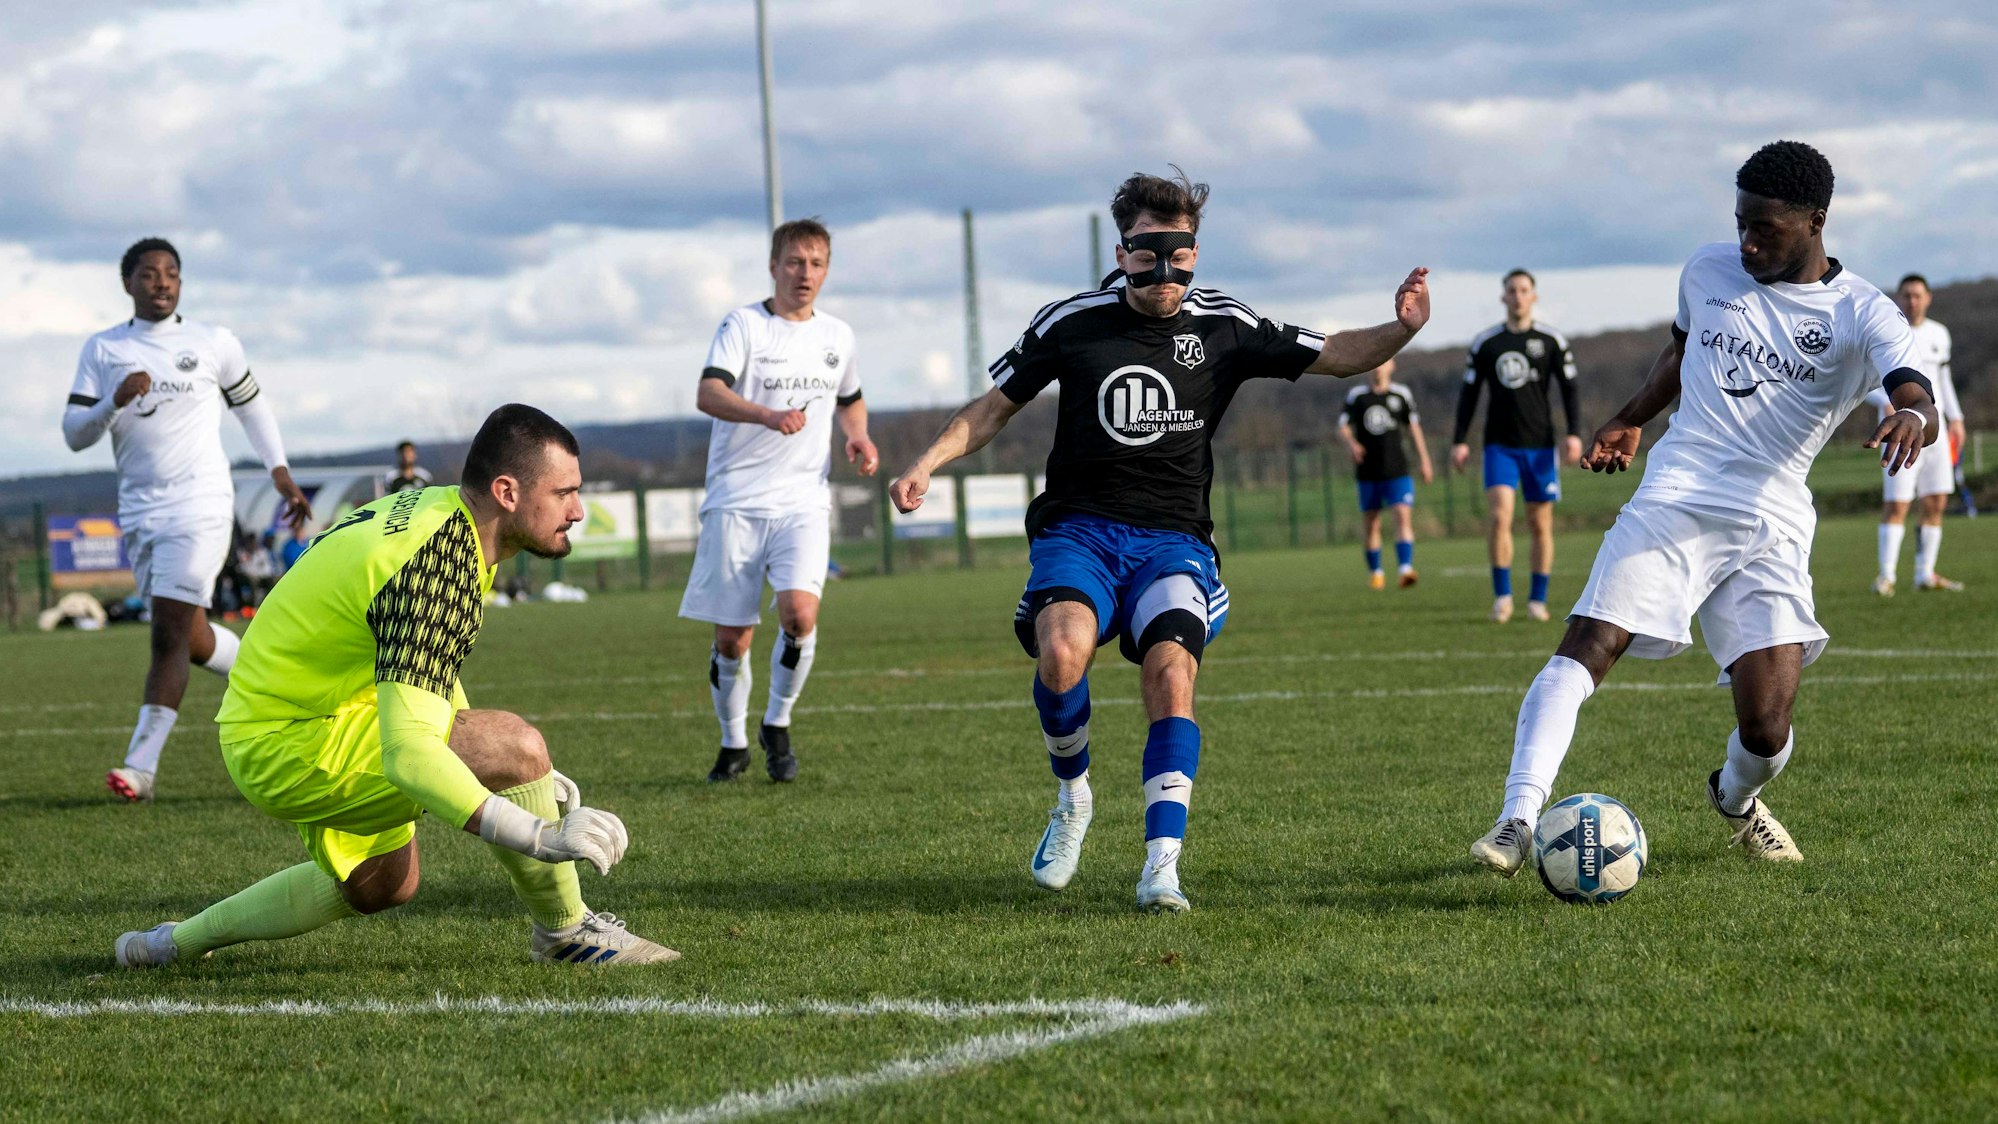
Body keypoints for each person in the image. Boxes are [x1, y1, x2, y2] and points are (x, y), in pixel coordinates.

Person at [889, 169, 1430, 912]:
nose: (1163, 270)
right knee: (1060, 653)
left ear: (1197, 253)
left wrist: (1401, 328)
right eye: (1147, 254)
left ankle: (1161, 865)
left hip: (1174, 542)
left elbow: (1335, 351)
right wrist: (924, 464)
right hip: (1078, 531)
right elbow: (992, 410)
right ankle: (1074, 796)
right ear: (1123, 251)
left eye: (1178, 253)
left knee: (1172, 675)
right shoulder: (1070, 323)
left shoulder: (1225, 325)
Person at [1469, 140, 1939, 875]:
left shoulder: (1862, 313)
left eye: (1768, 229)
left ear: (1816, 222)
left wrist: (1914, 417)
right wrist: (1630, 417)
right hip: (1678, 493)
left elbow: (1914, 389)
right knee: (1591, 641)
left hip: (1774, 520)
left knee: (1767, 725)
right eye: (1741, 222)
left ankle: (1736, 800)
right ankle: (1516, 819)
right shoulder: (1708, 267)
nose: (1748, 241)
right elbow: (1679, 355)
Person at [115, 405, 677, 969]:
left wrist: (524, 775)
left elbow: (426, 665)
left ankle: (169, 943)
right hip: (288, 741)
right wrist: (537, 833)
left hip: (318, 713)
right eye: (565, 493)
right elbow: (410, 756)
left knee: (383, 883)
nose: (578, 510)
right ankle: (567, 933)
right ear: (507, 492)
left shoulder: (446, 516)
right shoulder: (437, 559)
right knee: (513, 743)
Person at [63, 237, 311, 803]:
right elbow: (74, 435)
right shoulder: (104, 350)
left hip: (201, 503)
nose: (162, 282)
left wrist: (279, 473)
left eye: (172, 272)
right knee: (192, 637)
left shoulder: (213, 341)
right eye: (149, 273)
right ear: (128, 282)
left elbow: (252, 406)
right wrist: (113, 403)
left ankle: (140, 766)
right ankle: (287, 680)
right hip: (140, 510)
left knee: (167, 632)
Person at [680, 217, 878, 785]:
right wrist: (767, 415)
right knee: (732, 638)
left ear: (827, 270)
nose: (805, 274)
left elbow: (852, 399)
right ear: (774, 266)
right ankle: (733, 740)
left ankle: (778, 724)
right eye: (795, 262)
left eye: (816, 264)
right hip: (736, 501)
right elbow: (708, 392)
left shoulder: (838, 336)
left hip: (803, 502)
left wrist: (857, 436)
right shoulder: (743, 325)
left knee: (800, 614)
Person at [1450, 270, 1583, 622]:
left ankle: (1537, 599)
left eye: (1524, 290)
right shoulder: (1486, 344)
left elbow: (1569, 389)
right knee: (1499, 518)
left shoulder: (1551, 341)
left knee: (1540, 524)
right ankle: (1503, 597)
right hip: (1499, 446)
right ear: (1503, 297)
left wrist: (1573, 433)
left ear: (1533, 296)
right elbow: (1469, 394)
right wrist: (1460, 441)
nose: (1518, 296)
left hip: (1540, 447)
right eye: (1512, 290)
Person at [1868, 273, 1965, 594]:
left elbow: (1943, 381)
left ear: (1928, 298)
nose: (1912, 301)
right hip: (1902, 430)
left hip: (1934, 431)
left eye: (1917, 295)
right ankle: (1887, 576)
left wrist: (1956, 418)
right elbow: (1868, 382)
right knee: (1898, 503)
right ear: (1898, 298)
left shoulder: (1940, 334)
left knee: (1935, 500)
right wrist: (1885, 403)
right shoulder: (1889, 333)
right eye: (1907, 295)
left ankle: (1925, 573)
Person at [1337, 358, 1433, 588]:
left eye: (1383, 363)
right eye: (1375, 363)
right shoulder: (1357, 396)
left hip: (1397, 469)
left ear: (1392, 366)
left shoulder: (1401, 394)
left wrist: (1425, 460)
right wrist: (1351, 444)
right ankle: (1376, 572)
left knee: (1402, 515)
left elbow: (1414, 429)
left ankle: (1405, 569)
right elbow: (1342, 426)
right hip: (1368, 471)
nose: (1378, 367)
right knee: (1372, 524)